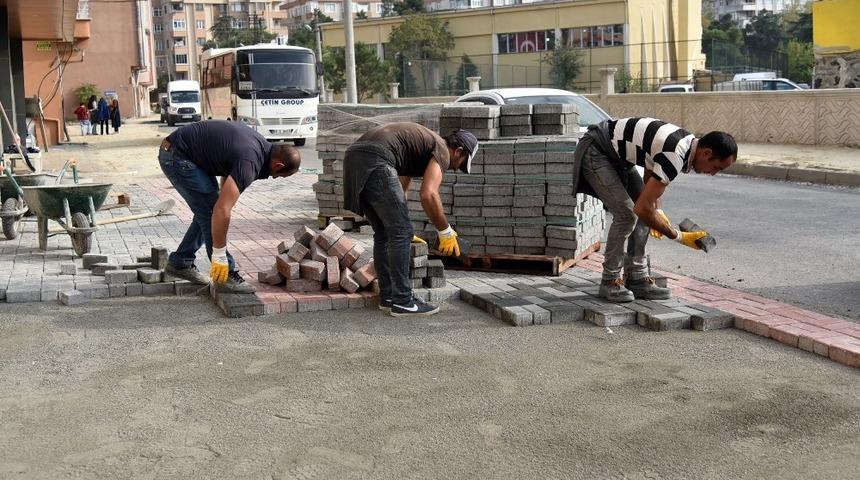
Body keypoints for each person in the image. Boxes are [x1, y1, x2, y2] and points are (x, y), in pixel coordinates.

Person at [571, 117, 738, 302]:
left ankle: (637, 279)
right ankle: (610, 280)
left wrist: (658, 211)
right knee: (627, 215)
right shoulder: (675, 153)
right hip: (597, 151)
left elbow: (651, 172)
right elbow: (641, 208)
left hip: (619, 159)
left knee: (646, 213)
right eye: (716, 167)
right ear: (707, 153)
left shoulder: (685, 144)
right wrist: (678, 236)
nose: (713, 173)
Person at [343, 123, 478, 317]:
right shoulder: (442, 149)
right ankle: (403, 301)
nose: (456, 169)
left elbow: (402, 180)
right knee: (400, 232)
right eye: (461, 163)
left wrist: (399, 215)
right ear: (458, 151)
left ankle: (388, 297)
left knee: (384, 232)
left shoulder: (421, 144)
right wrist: (445, 231)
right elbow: (428, 194)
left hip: (355, 158)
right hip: (376, 158)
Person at [159, 120, 302, 293]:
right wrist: (219, 255)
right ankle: (225, 274)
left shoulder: (259, 147)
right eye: (278, 176)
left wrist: (221, 203)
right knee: (211, 211)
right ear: (278, 165)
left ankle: (180, 262)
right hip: (178, 156)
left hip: (184, 152)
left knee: (207, 210)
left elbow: (228, 169)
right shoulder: (251, 161)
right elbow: (221, 210)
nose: (274, 178)